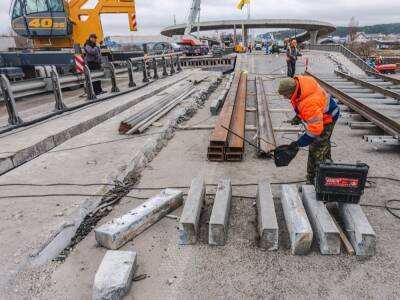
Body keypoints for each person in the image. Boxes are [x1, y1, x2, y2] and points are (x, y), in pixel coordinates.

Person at [278, 76, 340, 183]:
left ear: (291, 91)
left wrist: (299, 143)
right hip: (321, 112)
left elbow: (315, 130)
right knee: (323, 144)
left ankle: (316, 181)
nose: (284, 97)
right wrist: (299, 117)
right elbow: (301, 105)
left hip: (328, 118)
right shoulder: (301, 87)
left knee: (316, 147)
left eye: (285, 95)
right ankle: (329, 168)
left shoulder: (309, 102)